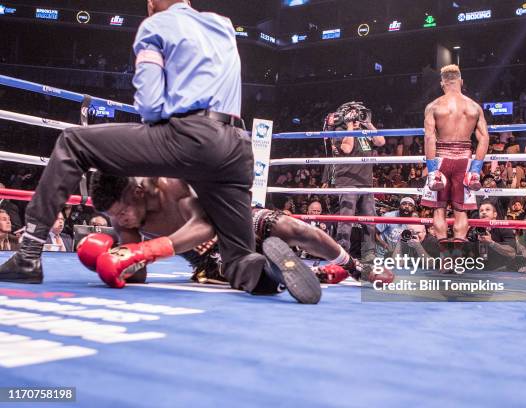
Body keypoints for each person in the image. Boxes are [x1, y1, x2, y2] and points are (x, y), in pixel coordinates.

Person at [0, 0, 320, 304]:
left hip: (189, 137)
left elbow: (150, 105)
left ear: (150, 3)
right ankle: (266, 274)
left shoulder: (154, 25)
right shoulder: (221, 24)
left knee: (73, 141)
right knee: (238, 258)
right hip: (236, 145)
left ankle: (28, 255)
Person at [84, 174, 372, 285]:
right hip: (210, 260)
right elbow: (139, 276)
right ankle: (294, 270)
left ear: (136, 192)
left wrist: (150, 248)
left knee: (291, 226)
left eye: (122, 212)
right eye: (114, 217)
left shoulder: (172, 185)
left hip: (233, 223)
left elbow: (205, 225)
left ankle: (353, 265)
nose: (121, 221)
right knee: (250, 272)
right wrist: (113, 257)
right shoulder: (122, 220)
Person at [421, 65, 490, 242]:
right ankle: (458, 258)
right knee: (461, 212)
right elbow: (484, 138)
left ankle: (445, 260)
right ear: (461, 81)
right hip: (464, 161)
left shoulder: (434, 106)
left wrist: (432, 170)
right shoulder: (474, 107)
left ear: (442, 83)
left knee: (439, 210)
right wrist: (475, 170)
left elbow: (430, 139)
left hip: (441, 159)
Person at [322, 102, 385, 267]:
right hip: (347, 181)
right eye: (354, 115)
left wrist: (368, 123)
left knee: (369, 221)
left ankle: (369, 255)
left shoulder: (365, 131)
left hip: (366, 182)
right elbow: (347, 149)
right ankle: (342, 255)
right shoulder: (339, 131)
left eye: (358, 115)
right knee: (346, 220)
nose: (356, 118)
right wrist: (350, 126)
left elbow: (380, 141)